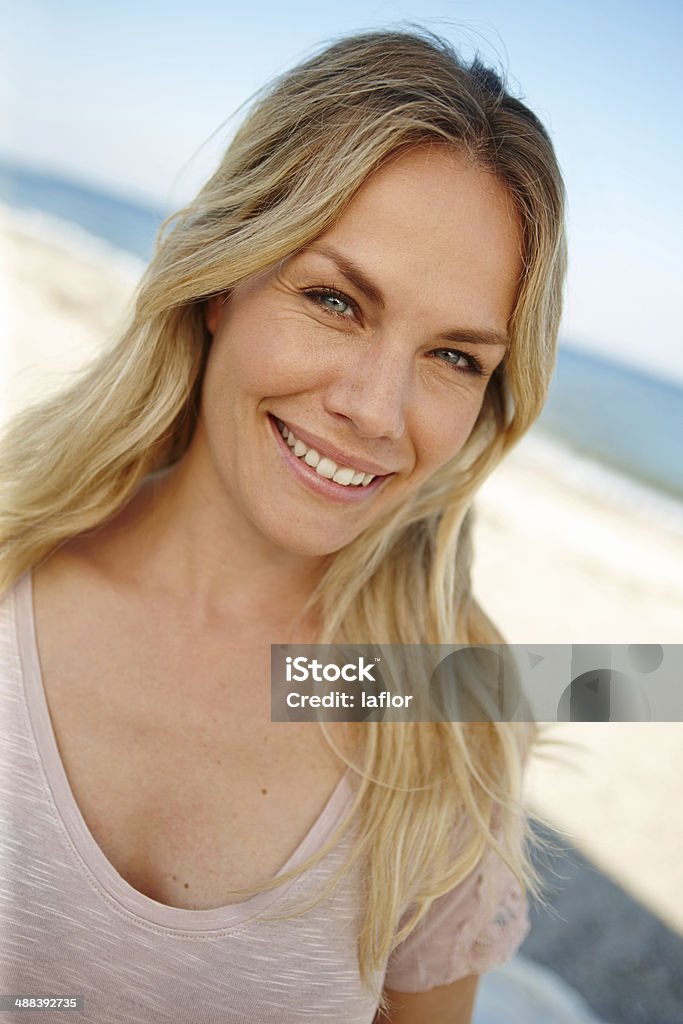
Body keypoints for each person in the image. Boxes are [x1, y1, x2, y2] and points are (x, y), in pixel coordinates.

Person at [0, 27, 566, 1024]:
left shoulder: (446, 727)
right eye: (335, 299)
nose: (376, 410)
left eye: (453, 357)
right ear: (224, 276)